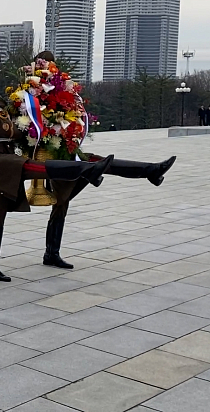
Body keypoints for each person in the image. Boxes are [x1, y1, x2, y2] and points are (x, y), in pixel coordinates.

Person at [0, 47, 114, 282]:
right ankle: (88, 171)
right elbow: (1, 127)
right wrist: (27, 128)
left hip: (5, 155)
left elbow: (12, 120)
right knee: (33, 168)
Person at [30, 51, 176, 272]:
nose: (50, 72)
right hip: (48, 156)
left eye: (52, 68)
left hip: (67, 151)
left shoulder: (61, 91)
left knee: (93, 170)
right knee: (62, 202)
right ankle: (51, 253)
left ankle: (151, 170)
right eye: (46, 67)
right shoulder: (30, 94)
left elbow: (74, 117)